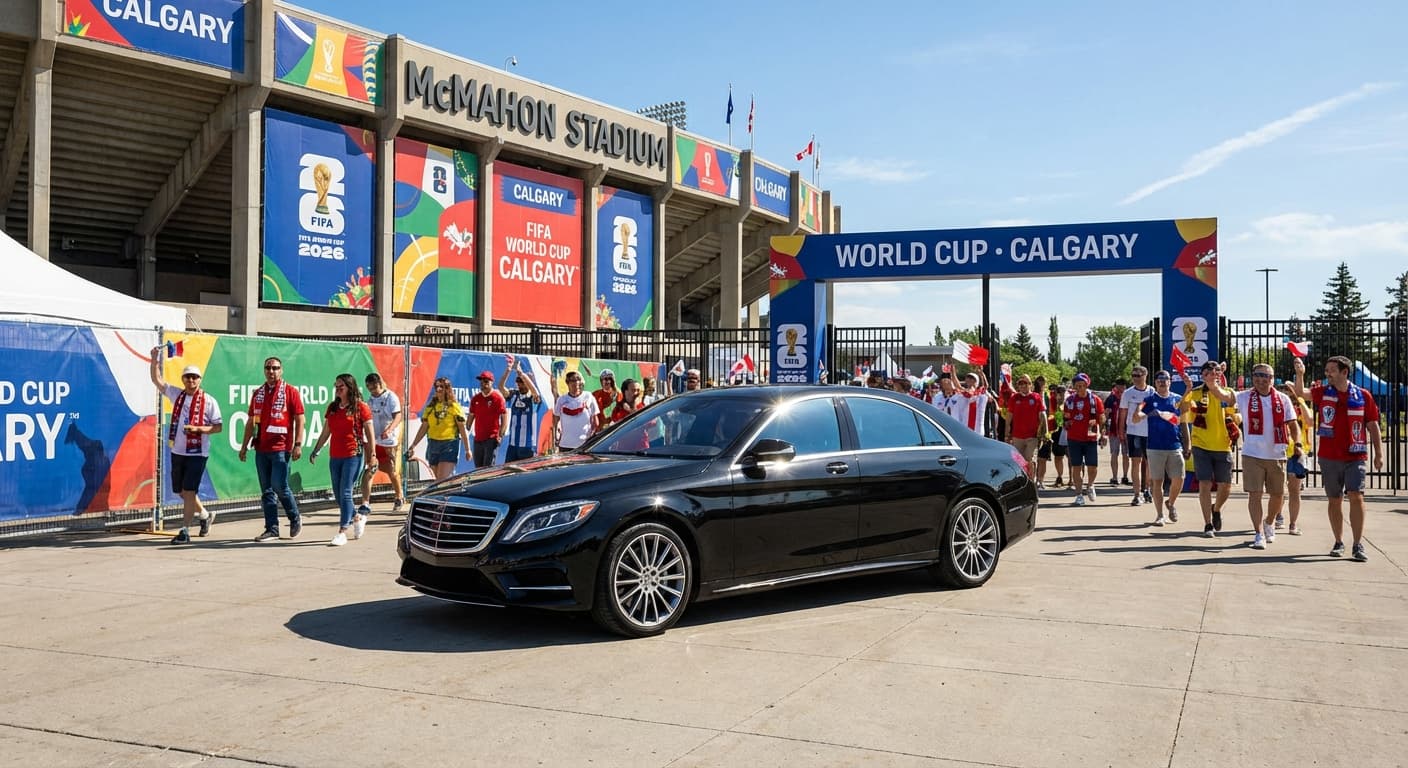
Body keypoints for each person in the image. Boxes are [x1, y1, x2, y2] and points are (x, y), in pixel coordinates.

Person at [1292, 355, 1384, 561]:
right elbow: (1301, 393)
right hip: (1329, 456)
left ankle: (1358, 544)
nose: (1328, 374)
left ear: (1344, 372)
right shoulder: (1323, 393)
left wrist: (1379, 453)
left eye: (1331, 370)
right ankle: (1339, 542)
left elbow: (1373, 425)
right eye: (1326, 370)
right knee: (1335, 499)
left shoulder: (1363, 395)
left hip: (1355, 454)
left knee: (1356, 496)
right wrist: (1300, 374)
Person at [149, 349, 222, 544]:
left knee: (190, 491)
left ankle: (185, 530)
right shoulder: (177, 394)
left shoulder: (209, 401)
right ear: (183, 380)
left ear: (199, 380)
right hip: (178, 450)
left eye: (195, 377)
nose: (191, 381)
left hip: (198, 453)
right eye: (188, 377)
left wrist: (199, 429)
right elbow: (157, 380)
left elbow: (218, 426)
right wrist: (155, 359)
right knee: (182, 492)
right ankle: (205, 516)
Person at [1235, 363, 1304, 551]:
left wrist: (1297, 443)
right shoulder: (1244, 397)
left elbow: (1293, 425)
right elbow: (1224, 396)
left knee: (1278, 495)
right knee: (1254, 494)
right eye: (1257, 375)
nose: (1261, 379)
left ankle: (1269, 521)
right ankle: (1258, 534)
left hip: (1277, 454)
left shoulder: (1282, 399)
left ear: (1272, 379)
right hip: (1252, 454)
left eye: (1265, 375)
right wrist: (1213, 381)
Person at [239, 356, 305, 542]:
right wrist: (244, 446)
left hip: (281, 448)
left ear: (281, 370)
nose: (271, 371)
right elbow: (251, 421)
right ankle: (272, 528)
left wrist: (298, 444)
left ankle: (294, 517)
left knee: (280, 486)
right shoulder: (259, 393)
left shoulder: (290, 391)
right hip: (262, 448)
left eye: (275, 368)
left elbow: (300, 419)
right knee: (267, 490)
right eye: (268, 368)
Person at [308, 373, 376, 546]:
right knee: (339, 495)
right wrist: (316, 449)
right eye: (336, 386)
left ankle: (342, 531)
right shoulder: (332, 408)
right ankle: (357, 517)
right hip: (335, 456)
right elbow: (326, 432)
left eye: (341, 386)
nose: (338, 389)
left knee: (346, 492)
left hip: (353, 454)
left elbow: (369, 432)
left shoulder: (360, 407)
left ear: (349, 387)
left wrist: (372, 454)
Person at [1179, 361, 1237, 537]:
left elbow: (1233, 408)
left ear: (1220, 374)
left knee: (1225, 485)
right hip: (1201, 444)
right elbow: (1182, 411)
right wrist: (1188, 389)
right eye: (1209, 372)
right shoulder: (1196, 393)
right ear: (1202, 375)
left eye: (1216, 371)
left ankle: (1216, 508)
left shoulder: (1228, 393)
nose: (1213, 373)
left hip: (1223, 445)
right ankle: (1207, 524)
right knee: (1204, 484)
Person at [1133, 370, 1187, 526]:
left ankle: (1170, 502)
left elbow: (1182, 421)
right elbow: (1135, 419)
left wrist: (1187, 445)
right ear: (1155, 382)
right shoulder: (1148, 400)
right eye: (1159, 379)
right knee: (1157, 482)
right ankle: (1159, 515)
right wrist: (1142, 411)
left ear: (1170, 381)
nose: (1162, 382)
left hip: (1174, 445)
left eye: (1166, 379)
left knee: (1179, 478)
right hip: (1155, 447)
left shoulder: (1177, 399)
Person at [359, 372, 405, 518]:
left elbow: (398, 416)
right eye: (369, 389)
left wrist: (389, 429)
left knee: (392, 471)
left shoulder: (391, 397)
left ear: (380, 384)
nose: (372, 391)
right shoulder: (370, 400)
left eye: (374, 388)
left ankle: (399, 496)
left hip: (389, 440)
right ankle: (365, 503)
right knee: (370, 469)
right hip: (374, 440)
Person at [407, 377, 470, 480]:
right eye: (437, 387)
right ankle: (444, 495)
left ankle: (447, 494)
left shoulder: (454, 407)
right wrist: (413, 445)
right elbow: (424, 428)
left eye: (442, 387)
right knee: (437, 480)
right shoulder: (430, 407)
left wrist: (468, 449)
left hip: (449, 444)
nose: (439, 389)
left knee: (442, 479)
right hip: (433, 444)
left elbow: (462, 429)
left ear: (447, 389)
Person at [1063, 373, 1105, 505]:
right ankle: (1079, 494)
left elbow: (1102, 418)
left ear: (1087, 385)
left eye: (1082, 386)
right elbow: (1065, 418)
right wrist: (1066, 423)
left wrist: (1103, 434)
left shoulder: (1095, 400)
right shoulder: (1070, 401)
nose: (1079, 388)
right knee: (1076, 467)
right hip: (1074, 438)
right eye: (1077, 386)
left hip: (1090, 437)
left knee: (1092, 466)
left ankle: (1090, 485)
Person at [1277, 383, 1313, 535]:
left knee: (1294, 491)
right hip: (1277, 452)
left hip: (1297, 453)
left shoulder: (1300, 408)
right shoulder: (1275, 408)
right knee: (1278, 490)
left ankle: (1293, 523)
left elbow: (1310, 421)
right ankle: (1278, 515)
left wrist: (1300, 400)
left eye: (1289, 394)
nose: (1287, 397)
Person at [1118, 367, 1155, 506]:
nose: (1136, 378)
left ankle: (1148, 489)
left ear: (1145, 375)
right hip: (1133, 432)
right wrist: (1121, 430)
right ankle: (1136, 494)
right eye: (1134, 375)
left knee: (1150, 463)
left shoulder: (1152, 391)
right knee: (1135, 462)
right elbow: (1122, 413)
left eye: (1139, 375)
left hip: (1149, 432)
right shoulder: (1128, 393)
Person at [1005, 375, 1047, 480]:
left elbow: (1042, 414)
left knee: (1029, 458)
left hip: (1032, 436)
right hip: (1017, 435)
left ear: (1030, 385)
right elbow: (1009, 417)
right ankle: (1021, 480)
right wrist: (1007, 434)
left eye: (1025, 384)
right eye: (1021, 385)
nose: (1023, 386)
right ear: (1018, 387)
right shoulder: (1014, 398)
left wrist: (1044, 432)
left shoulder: (1036, 397)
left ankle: (1031, 480)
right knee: (1018, 460)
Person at [501, 356, 542, 461]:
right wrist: (508, 370)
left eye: (522, 382)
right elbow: (501, 387)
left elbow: (535, 392)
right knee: (508, 472)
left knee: (525, 474)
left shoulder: (532, 398)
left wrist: (522, 374)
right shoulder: (514, 394)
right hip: (513, 444)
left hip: (527, 446)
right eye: (518, 382)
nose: (520, 385)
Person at [466, 369, 508, 468]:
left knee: (488, 469)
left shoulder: (497, 398)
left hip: (491, 439)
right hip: (478, 439)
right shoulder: (475, 399)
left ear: (491, 382)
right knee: (478, 469)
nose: (483, 384)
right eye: (481, 381)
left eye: (486, 381)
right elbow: (471, 416)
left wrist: (500, 435)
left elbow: (504, 418)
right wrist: (467, 426)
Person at [553, 370, 602, 450]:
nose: (576, 382)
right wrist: (556, 436)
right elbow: (555, 420)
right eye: (573, 380)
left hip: (584, 445)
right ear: (567, 383)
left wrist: (591, 436)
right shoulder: (561, 400)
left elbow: (596, 421)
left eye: (578, 379)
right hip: (565, 445)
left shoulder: (588, 396)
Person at [1105, 378, 1130, 486]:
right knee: (1114, 453)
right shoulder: (1111, 398)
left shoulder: (1128, 397)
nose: (1121, 388)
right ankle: (1114, 477)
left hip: (1127, 429)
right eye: (1119, 386)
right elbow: (1106, 413)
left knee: (1126, 454)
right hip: (1114, 430)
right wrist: (1104, 428)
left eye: (1123, 386)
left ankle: (1125, 476)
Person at [952, 370, 990, 435]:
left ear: (977, 382)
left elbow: (985, 386)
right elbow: (957, 385)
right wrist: (953, 373)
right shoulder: (963, 393)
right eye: (968, 378)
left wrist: (982, 374)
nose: (970, 380)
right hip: (965, 425)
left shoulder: (980, 393)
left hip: (977, 427)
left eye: (972, 379)